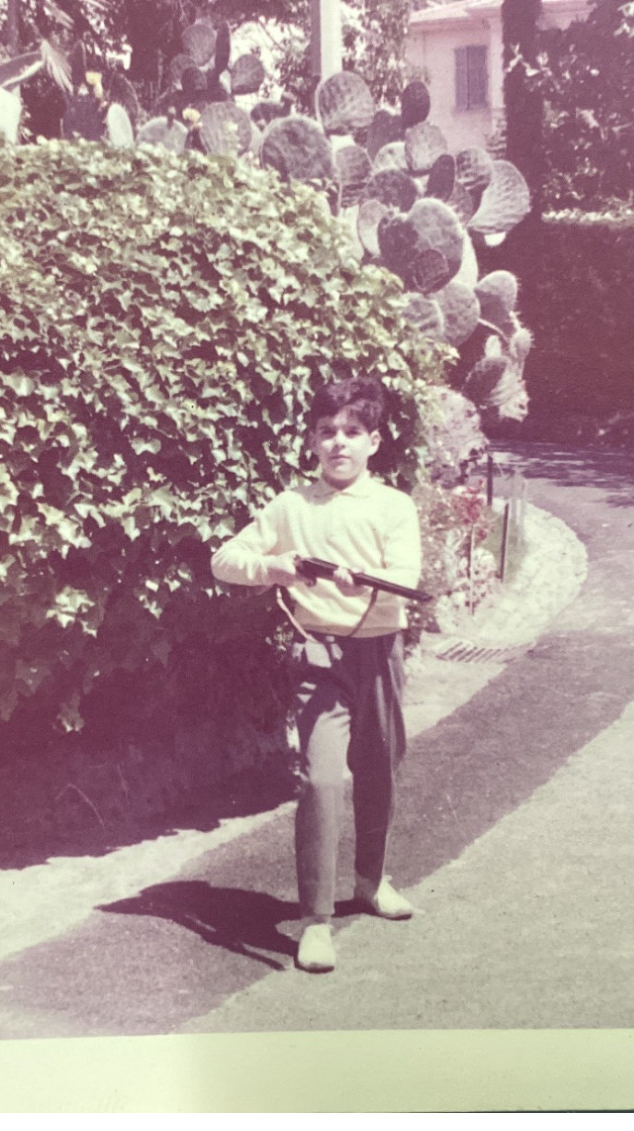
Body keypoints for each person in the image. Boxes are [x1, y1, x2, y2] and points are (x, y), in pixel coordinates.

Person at [210, 371, 422, 973]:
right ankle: (315, 922)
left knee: (379, 768)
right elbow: (225, 559)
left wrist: (365, 578)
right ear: (310, 439)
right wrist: (277, 567)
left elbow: (405, 578)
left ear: (373, 442)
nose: (339, 443)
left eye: (353, 432)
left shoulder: (393, 505)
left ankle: (371, 882)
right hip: (319, 658)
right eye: (327, 431)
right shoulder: (290, 504)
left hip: (381, 653)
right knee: (322, 781)